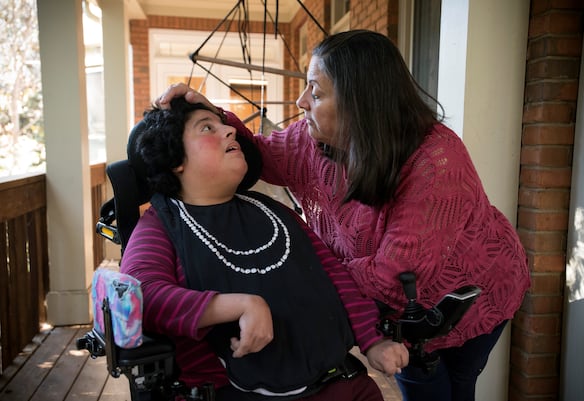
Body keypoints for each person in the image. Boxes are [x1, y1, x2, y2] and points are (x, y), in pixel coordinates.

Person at [157, 29, 531, 401]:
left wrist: (287, 274)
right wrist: (214, 116)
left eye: (316, 92)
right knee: (429, 383)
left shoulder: (435, 160)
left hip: (475, 292)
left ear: (360, 103)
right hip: (403, 308)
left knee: (452, 383)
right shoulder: (312, 138)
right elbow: (260, 158)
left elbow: (394, 277)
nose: (302, 101)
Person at [119, 96, 409, 401]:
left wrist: (374, 341)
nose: (229, 131)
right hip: (233, 390)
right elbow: (138, 297)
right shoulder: (161, 226)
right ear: (174, 159)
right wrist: (241, 305)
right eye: (207, 128)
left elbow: (334, 277)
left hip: (340, 381)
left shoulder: (273, 211)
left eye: (224, 125)